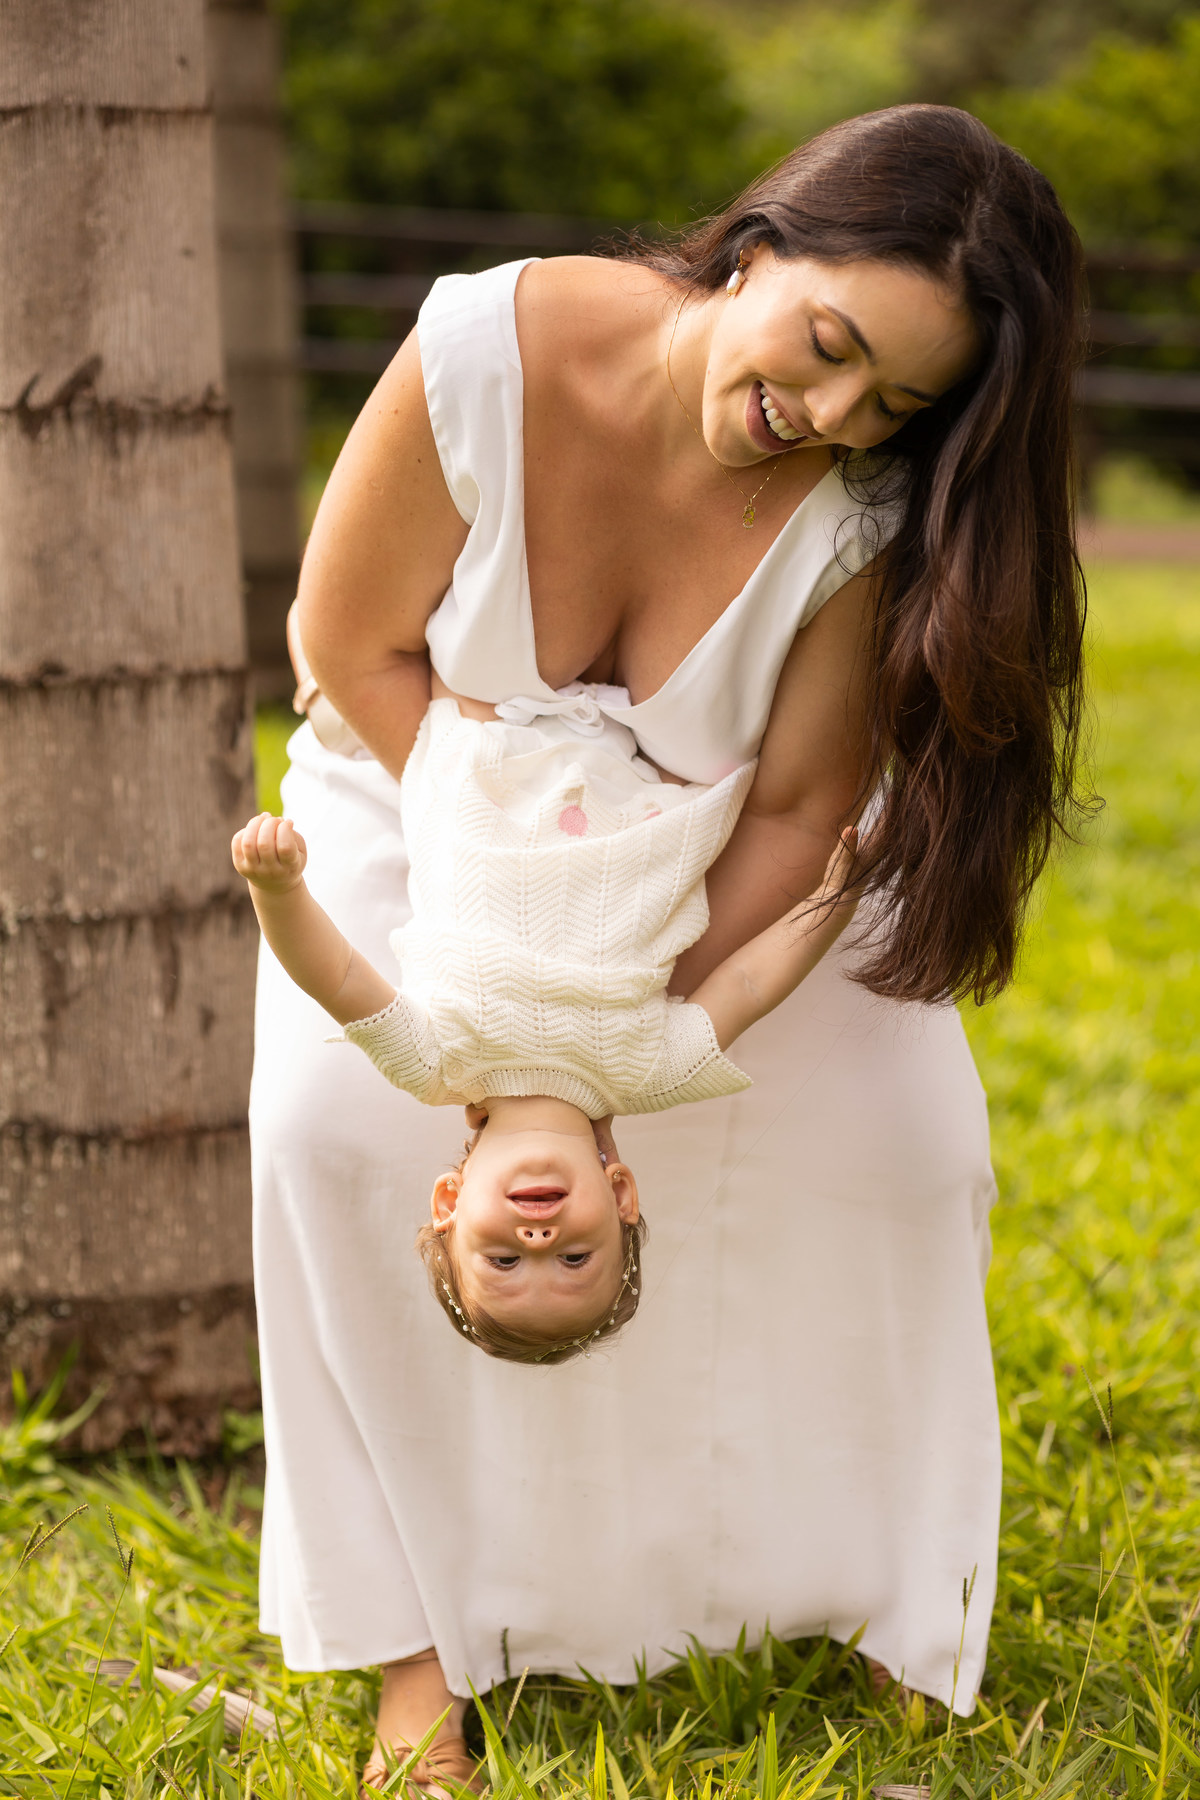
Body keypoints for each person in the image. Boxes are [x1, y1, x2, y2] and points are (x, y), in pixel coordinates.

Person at [249, 104, 1085, 1793]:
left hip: (702, 885)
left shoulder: (852, 518)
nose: (834, 414)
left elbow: (793, 816)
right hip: (420, 794)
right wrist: (515, 923)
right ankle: (421, 1644)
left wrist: (630, 1006)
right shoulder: (484, 347)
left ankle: (882, 1587)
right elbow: (344, 639)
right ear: (763, 245)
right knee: (331, 1128)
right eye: (833, 346)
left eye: (893, 405)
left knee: (904, 1143)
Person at [232, 683, 857, 1360]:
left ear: (450, 1201)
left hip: (486, 724)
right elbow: (748, 982)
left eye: (501, 1263)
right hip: (649, 761)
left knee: (405, 647)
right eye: (575, 1261)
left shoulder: (433, 1062)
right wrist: (833, 902)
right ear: (621, 1196)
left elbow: (337, 977)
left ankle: (323, 681)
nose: (538, 1244)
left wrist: (277, 891)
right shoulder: (648, 1071)